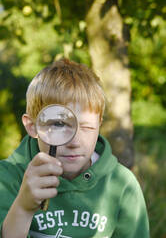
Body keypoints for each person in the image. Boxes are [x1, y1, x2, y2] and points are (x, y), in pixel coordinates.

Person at [0, 58, 149, 238]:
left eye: (87, 128)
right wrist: (23, 207)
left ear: (99, 125)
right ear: (32, 126)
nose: (75, 142)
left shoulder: (123, 185)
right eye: (59, 125)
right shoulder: (6, 179)